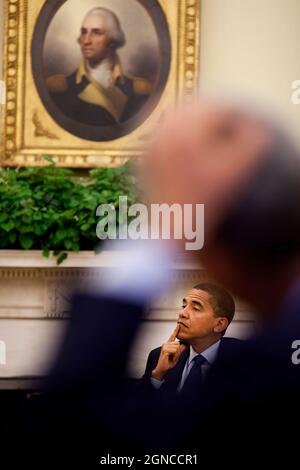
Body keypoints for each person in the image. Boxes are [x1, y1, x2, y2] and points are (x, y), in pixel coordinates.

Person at [46, 7, 152, 126]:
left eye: (96, 33)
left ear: (112, 39)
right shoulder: (59, 89)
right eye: (84, 32)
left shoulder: (139, 90)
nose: (86, 40)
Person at [142, 283, 240, 399]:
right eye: (184, 306)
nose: (182, 313)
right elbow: (136, 411)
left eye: (196, 308)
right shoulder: (159, 356)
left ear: (219, 324)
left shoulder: (245, 360)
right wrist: (157, 375)